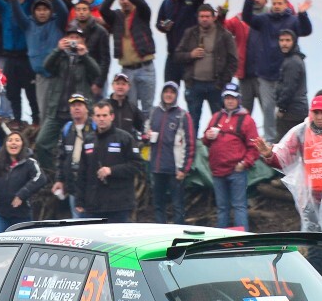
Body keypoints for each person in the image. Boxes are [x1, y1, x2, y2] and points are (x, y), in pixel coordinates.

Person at [255, 93, 322, 299]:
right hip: (312, 198)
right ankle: (319, 291)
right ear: (310, 112)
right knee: (314, 245)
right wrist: (268, 154)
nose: (319, 116)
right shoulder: (301, 132)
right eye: (315, 112)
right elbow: (283, 157)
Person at [241, 0, 314, 141]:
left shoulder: (292, 20)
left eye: (280, 3)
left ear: (286, 5)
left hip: (286, 73)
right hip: (266, 73)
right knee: (268, 108)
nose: (277, 6)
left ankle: (287, 139)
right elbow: (247, 18)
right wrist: (249, 0)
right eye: (275, 3)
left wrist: (302, 14)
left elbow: (306, 30)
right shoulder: (264, 19)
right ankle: (270, 140)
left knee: (285, 108)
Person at [37, 29, 101, 173]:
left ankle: (82, 175)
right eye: (70, 37)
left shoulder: (85, 59)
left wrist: (85, 55)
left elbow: (97, 72)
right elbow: (46, 66)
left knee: (84, 147)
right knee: (42, 143)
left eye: (77, 37)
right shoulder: (60, 57)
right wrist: (57, 50)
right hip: (57, 111)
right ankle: (52, 175)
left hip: (79, 115)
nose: (73, 40)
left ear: (83, 40)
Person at [173, 4, 239, 132]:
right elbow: (177, 55)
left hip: (216, 85)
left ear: (214, 17)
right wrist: (190, 55)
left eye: (207, 16)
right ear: (198, 18)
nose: (204, 19)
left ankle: (219, 151)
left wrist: (223, 82)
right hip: (194, 84)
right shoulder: (190, 33)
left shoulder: (225, 35)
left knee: (219, 123)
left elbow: (233, 61)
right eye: (202, 16)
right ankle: (192, 151)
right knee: (192, 123)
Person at [203, 83, 260, 230]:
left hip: (237, 171)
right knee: (222, 208)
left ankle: (242, 240)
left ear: (238, 99)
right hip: (217, 171)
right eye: (227, 97)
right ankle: (222, 241)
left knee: (239, 206)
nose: (230, 101)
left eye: (233, 98)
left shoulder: (247, 120)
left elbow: (254, 147)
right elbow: (205, 141)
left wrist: (244, 163)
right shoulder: (216, 117)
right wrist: (208, 136)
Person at [74, 101, 141, 223]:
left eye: (104, 115)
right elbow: (82, 172)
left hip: (119, 206)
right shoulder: (89, 140)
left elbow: (137, 166)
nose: (101, 119)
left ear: (112, 116)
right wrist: (79, 200)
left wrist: (112, 170)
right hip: (93, 206)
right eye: (98, 116)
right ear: (93, 118)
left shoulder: (125, 138)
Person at [100, 0, 157, 119]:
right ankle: (133, 137)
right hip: (127, 70)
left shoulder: (142, 13)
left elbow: (142, 3)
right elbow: (103, 10)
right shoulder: (116, 17)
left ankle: (146, 137)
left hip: (146, 68)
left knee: (147, 107)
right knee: (130, 107)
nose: (124, 1)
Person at [0, 131, 47, 233]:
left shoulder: (30, 163)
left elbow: (41, 178)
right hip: (0, 214)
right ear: (5, 144)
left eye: (17, 140)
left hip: (22, 216)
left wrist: (21, 195)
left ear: (22, 144)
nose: (13, 143)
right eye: (10, 140)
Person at [147, 82, 195, 224]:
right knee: (158, 205)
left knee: (178, 206)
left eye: (172, 92)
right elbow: (145, 133)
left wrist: (184, 169)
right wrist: (146, 136)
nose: (168, 95)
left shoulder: (183, 115)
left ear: (176, 95)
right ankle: (161, 235)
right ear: (162, 93)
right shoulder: (154, 112)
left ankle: (178, 236)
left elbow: (191, 144)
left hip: (175, 170)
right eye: (166, 91)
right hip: (157, 167)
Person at [156, 0, 206, 86]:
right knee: (169, 92)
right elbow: (158, 23)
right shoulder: (166, 3)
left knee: (192, 96)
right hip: (173, 56)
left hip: (191, 56)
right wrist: (163, 27)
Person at [52, 95, 94, 217]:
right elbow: (61, 156)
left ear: (87, 108)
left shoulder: (94, 127)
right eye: (73, 106)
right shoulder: (67, 129)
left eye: (80, 105)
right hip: (73, 186)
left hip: (91, 186)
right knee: (77, 222)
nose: (76, 108)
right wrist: (59, 179)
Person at [274, 29, 308, 140]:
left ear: (294, 42)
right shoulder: (292, 59)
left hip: (292, 112)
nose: (284, 43)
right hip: (297, 110)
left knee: (284, 146)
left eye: (288, 40)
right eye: (281, 40)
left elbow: (289, 88)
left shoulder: (293, 62)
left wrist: (282, 109)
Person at [107, 72, 145, 137]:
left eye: (123, 84)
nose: (120, 87)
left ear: (128, 87)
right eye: (118, 83)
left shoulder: (132, 108)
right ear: (112, 86)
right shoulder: (105, 106)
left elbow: (144, 126)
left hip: (127, 145)